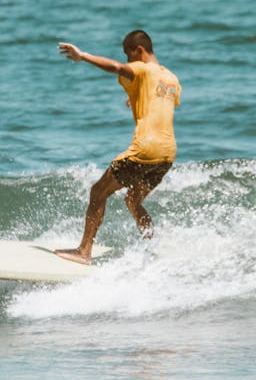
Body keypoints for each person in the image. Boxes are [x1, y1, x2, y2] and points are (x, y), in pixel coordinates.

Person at [55, 30, 181, 265]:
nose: (127, 60)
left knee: (97, 192)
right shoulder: (171, 78)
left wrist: (82, 56)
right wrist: (133, 98)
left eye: (128, 54)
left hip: (145, 149)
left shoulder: (142, 69)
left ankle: (84, 251)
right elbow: (160, 100)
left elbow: (117, 68)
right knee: (133, 201)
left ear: (139, 50)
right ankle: (154, 249)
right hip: (167, 154)